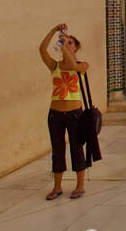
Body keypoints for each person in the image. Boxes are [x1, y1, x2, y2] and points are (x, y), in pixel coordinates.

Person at [38, 22, 89, 200]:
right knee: (57, 149)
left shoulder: (82, 65)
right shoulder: (55, 66)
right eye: (67, 43)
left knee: (77, 148)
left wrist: (65, 45)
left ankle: (80, 185)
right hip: (55, 114)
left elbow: (73, 66)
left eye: (71, 44)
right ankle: (57, 186)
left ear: (75, 48)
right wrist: (54, 31)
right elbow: (42, 50)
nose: (68, 45)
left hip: (75, 114)